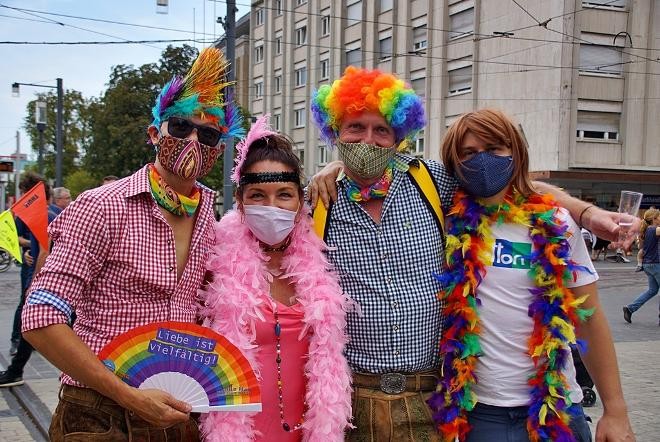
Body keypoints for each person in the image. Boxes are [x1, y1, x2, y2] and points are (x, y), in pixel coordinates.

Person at [308, 67, 633, 441]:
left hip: (437, 398)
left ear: (398, 136)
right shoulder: (315, 202)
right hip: (358, 400)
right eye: (355, 128)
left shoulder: (431, 183)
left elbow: (521, 187)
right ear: (334, 131)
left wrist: (586, 212)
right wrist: (331, 170)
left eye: (381, 130)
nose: (368, 140)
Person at [19, 47, 244, 441]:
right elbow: (40, 318)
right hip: (99, 412)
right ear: (155, 133)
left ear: (219, 150)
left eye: (207, 134)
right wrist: (129, 395)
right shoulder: (102, 206)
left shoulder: (210, 215)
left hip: (179, 414)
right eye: (180, 127)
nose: (193, 139)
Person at [431, 108, 633, 441]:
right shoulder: (443, 219)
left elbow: (590, 318)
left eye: (495, 149)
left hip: (554, 407)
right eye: (469, 153)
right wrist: (336, 169)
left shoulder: (555, 224)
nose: (483, 161)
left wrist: (616, 409)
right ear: (455, 163)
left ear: (516, 152)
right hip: (479, 413)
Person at [199, 115, 352, 441]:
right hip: (239, 431)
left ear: (301, 201)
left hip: (312, 430)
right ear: (239, 201)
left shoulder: (327, 243)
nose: (272, 206)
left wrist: (339, 164)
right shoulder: (214, 258)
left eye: (284, 194)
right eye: (257, 195)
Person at [0, 173, 55, 387]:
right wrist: (25, 254)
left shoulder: (45, 215)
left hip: (45, 281)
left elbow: (44, 251)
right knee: (32, 323)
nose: (22, 197)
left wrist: (35, 284)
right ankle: (15, 370)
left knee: (31, 321)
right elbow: (36, 247)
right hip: (44, 279)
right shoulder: (39, 215)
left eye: (25, 193)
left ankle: (16, 371)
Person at [623, 208, 660, 324]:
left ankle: (630, 308)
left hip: (648, 264)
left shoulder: (646, 230)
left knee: (652, 290)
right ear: (654, 219)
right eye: (659, 216)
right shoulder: (655, 229)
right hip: (655, 264)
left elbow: (641, 248)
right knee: (652, 290)